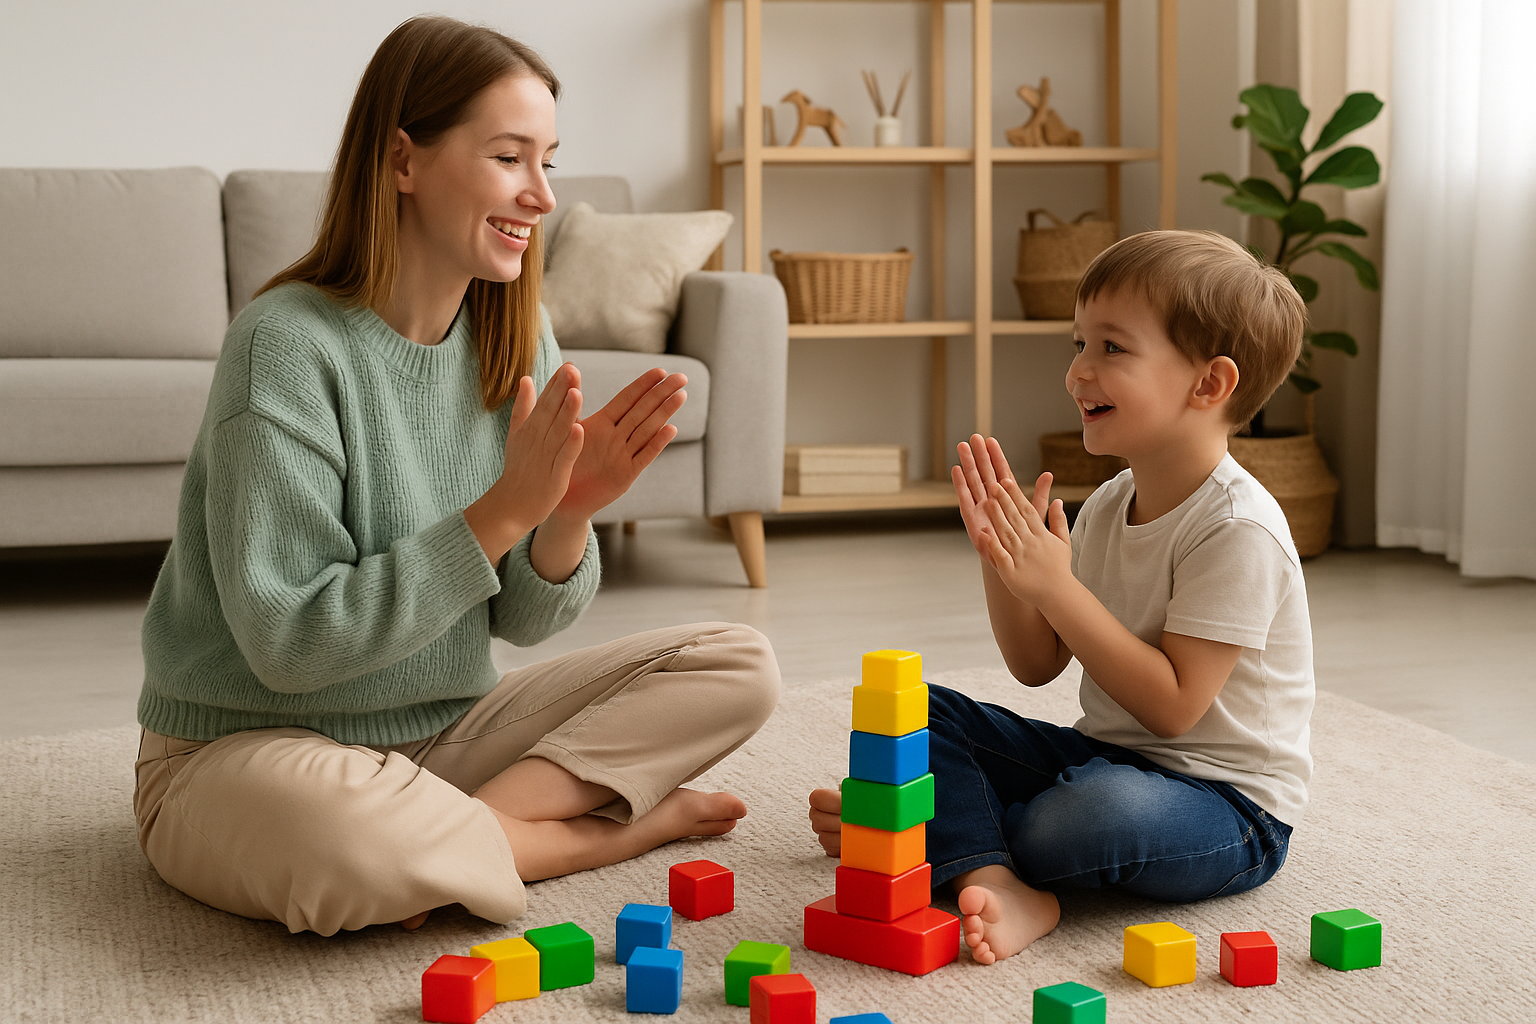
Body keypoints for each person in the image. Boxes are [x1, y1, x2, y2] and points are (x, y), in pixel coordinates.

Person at [133, 16, 780, 937]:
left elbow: (518, 621)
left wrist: (564, 518)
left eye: (549, 160)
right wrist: (501, 511)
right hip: (246, 749)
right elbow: (287, 647)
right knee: (343, 841)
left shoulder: (516, 336)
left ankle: (465, 835)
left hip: (445, 738)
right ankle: (567, 840)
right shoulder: (283, 346)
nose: (543, 195)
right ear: (404, 160)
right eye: (511, 158)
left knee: (738, 664)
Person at [808, 230, 1314, 963]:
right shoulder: (1109, 504)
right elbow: (1035, 663)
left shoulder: (1240, 528)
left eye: (1112, 348)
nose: (1078, 372)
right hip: (1106, 756)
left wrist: (1056, 582)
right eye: (1078, 344)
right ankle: (993, 875)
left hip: (1226, 808)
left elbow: (1174, 708)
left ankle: (933, 827)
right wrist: (1004, 561)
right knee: (914, 713)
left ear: (1209, 385)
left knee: (1084, 817)